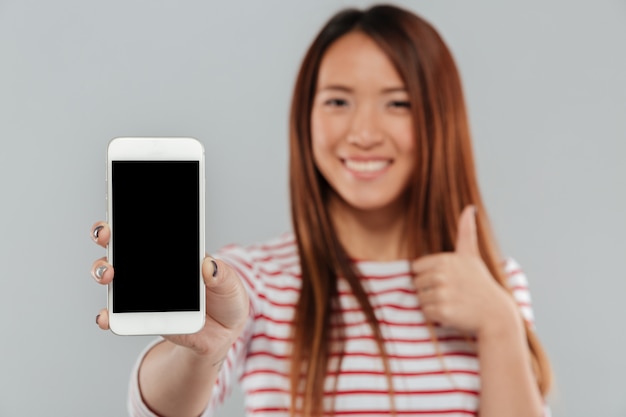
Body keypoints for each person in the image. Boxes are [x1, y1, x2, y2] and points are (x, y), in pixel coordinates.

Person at [90, 4, 552, 417]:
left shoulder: (496, 284)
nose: (364, 132)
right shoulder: (252, 281)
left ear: (439, 119)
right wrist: (201, 349)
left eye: (398, 103)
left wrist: (497, 322)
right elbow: (154, 410)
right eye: (337, 101)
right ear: (304, 117)